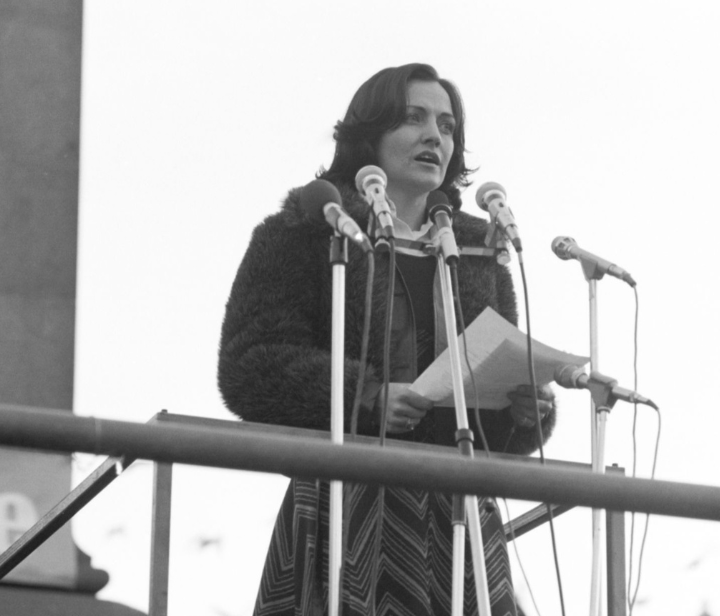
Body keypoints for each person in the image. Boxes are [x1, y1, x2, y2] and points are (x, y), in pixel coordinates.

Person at [218, 63, 556, 615]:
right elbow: (248, 366)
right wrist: (368, 396)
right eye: (413, 119)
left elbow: (493, 410)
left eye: (447, 126)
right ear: (368, 134)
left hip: (460, 515)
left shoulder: (475, 248)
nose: (435, 137)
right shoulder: (307, 228)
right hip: (346, 507)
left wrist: (523, 410)